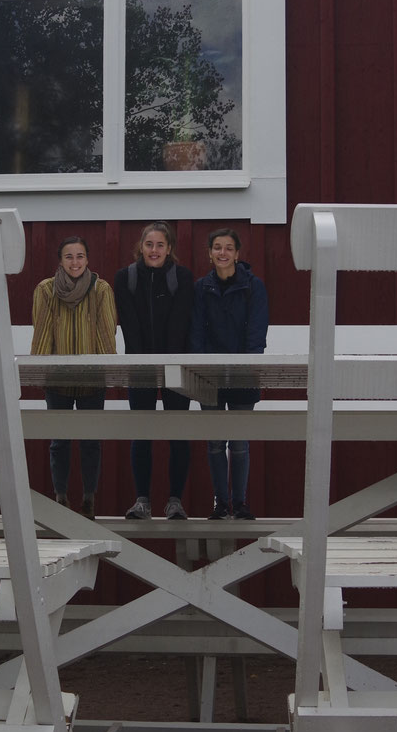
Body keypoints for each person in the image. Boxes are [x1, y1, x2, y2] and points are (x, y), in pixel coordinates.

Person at [31, 235, 117, 519]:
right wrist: (42, 371)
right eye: (69, 256)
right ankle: (61, 496)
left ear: (88, 260)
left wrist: (107, 370)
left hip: (92, 380)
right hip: (59, 380)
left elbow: (106, 332)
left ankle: (89, 497)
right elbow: (42, 331)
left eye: (80, 256)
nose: (75, 262)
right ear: (60, 260)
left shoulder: (101, 289)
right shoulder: (46, 290)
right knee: (60, 440)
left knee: (91, 440)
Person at [113, 221, 194, 521]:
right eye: (150, 245)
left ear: (169, 248)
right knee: (142, 433)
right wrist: (144, 364)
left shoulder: (182, 277)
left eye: (161, 245)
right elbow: (129, 325)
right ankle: (142, 500)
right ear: (141, 247)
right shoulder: (126, 278)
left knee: (178, 432)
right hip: (140, 366)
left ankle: (175, 500)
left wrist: (169, 362)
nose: (155, 250)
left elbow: (180, 321)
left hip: (176, 363)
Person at [189, 227, 269, 521]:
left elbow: (257, 331)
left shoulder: (253, 286)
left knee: (239, 442)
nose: (222, 253)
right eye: (217, 247)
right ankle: (220, 504)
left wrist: (247, 367)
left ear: (237, 253)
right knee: (214, 442)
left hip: (243, 374)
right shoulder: (201, 287)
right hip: (209, 375)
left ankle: (240, 503)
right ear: (209, 253)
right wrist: (201, 367)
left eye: (228, 248)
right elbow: (195, 330)